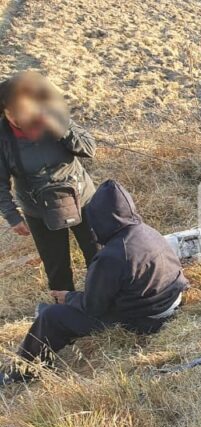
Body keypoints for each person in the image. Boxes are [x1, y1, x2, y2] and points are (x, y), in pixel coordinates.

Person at [1, 180, 188, 386]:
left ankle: (25, 371)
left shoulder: (113, 255)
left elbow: (93, 307)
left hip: (145, 320)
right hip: (171, 303)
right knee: (56, 311)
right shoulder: (148, 231)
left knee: (51, 317)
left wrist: (68, 297)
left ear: (101, 219)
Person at [0, 71, 100, 292]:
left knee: (98, 255)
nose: (18, 118)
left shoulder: (55, 117)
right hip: (39, 209)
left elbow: (89, 149)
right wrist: (12, 216)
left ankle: (105, 299)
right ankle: (65, 304)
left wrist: (61, 128)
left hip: (82, 199)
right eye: (11, 112)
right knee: (57, 267)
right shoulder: (3, 137)